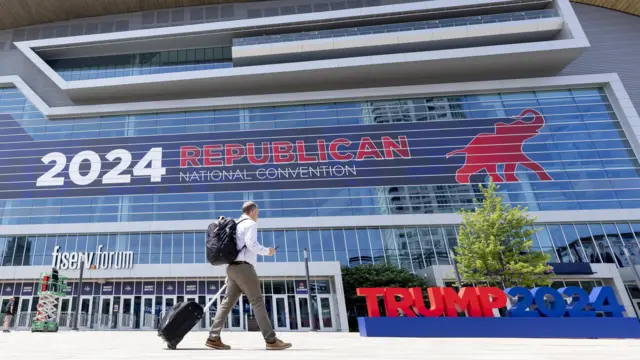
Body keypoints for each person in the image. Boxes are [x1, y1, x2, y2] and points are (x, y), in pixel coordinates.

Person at [206, 201, 291, 351]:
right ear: (252, 211)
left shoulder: (236, 225)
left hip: (232, 268)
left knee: (227, 303)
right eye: (257, 212)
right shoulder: (250, 224)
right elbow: (252, 244)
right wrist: (268, 251)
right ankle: (271, 341)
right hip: (244, 268)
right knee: (257, 301)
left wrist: (233, 274)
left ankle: (213, 338)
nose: (257, 215)